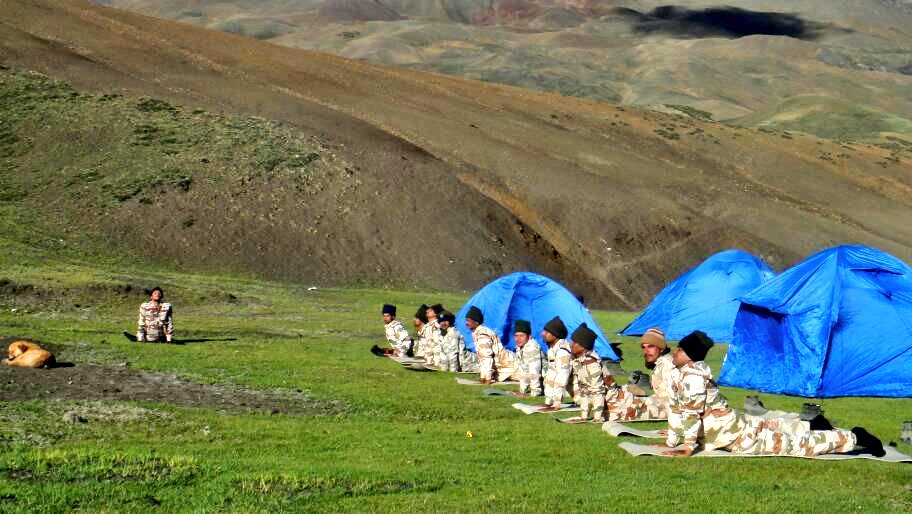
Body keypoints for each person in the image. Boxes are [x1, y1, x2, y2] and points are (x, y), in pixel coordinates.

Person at [661, 331, 885, 458]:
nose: (675, 351)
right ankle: (811, 425)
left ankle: (855, 437)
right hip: (729, 429)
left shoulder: (692, 378)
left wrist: (687, 447)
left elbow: (690, 413)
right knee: (772, 427)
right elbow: (676, 409)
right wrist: (672, 441)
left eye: (680, 350)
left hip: (735, 436)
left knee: (794, 446)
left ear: (689, 356)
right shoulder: (681, 374)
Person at [604, 327, 674, 422]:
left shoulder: (668, 365)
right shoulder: (659, 364)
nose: (646, 351)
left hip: (667, 409)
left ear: (661, 348)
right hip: (658, 404)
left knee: (616, 413)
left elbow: (669, 399)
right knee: (622, 397)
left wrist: (642, 403)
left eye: (651, 346)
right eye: (643, 347)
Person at [464, 306, 517, 383]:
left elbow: (487, 357)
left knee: (528, 376)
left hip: (510, 365)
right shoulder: (478, 332)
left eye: (468, 321)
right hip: (506, 364)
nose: (466, 323)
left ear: (476, 322)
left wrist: (487, 378)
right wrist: (482, 377)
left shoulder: (482, 335)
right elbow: (482, 358)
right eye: (466, 320)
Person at [569, 323, 606, 422]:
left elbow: (597, 391)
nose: (571, 344)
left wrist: (597, 417)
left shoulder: (592, 363)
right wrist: (584, 416)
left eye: (575, 342)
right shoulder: (579, 360)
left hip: (613, 402)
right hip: (601, 401)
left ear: (584, 346)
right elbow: (584, 391)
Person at [540, 316, 572, 410]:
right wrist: (548, 402)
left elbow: (562, 377)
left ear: (555, 335)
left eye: (546, 332)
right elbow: (551, 375)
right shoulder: (552, 348)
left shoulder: (563, 351)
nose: (543, 334)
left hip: (582, 390)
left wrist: (556, 403)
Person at [513, 320, 545, 397]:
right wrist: (522, 390)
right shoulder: (520, 347)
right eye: (516, 336)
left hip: (550, 383)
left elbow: (534, 371)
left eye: (521, 336)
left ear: (529, 336)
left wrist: (535, 392)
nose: (518, 339)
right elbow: (523, 370)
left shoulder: (532, 348)